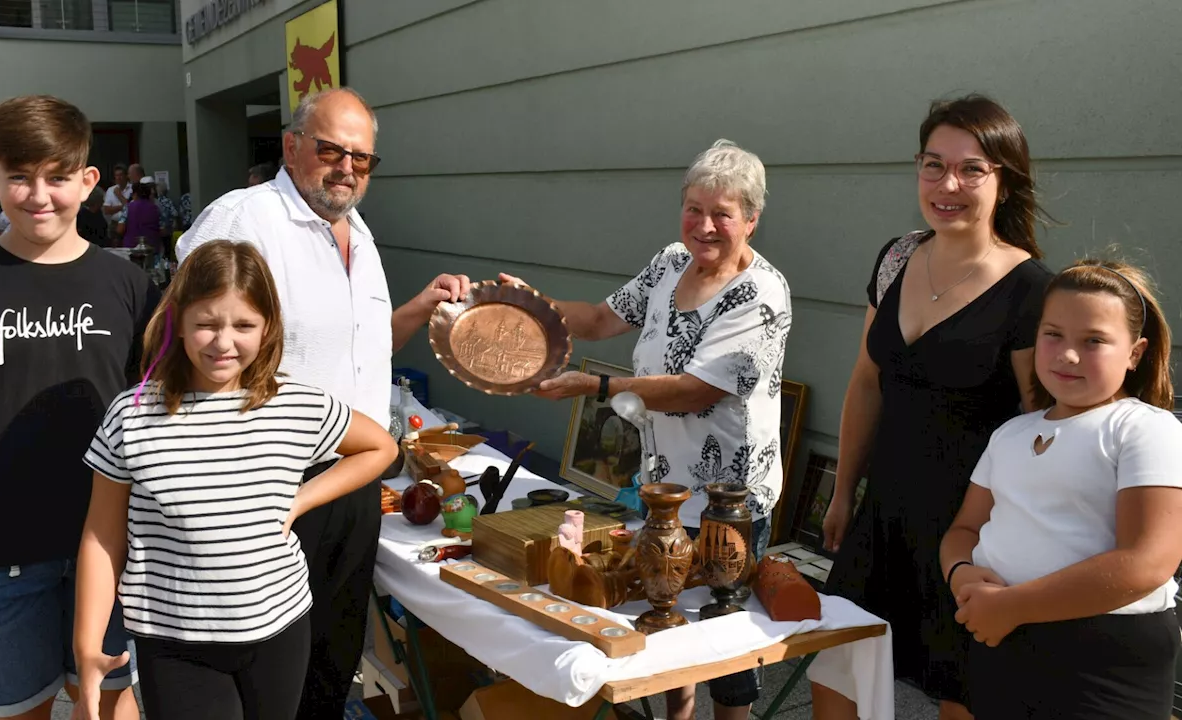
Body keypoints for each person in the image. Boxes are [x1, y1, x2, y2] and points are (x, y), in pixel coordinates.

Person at [176, 86, 471, 720]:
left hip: (356, 477)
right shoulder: (247, 218)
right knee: (265, 672)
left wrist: (418, 309)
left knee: (332, 660)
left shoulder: (358, 236)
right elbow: (194, 336)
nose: (346, 168)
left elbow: (362, 350)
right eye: (331, 150)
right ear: (291, 146)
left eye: (361, 159)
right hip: (275, 480)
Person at [504, 139, 791, 720]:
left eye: (723, 214)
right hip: (663, 483)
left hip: (726, 502)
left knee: (724, 646)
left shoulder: (760, 294)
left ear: (753, 220)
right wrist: (531, 306)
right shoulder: (669, 262)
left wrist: (598, 390)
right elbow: (603, 318)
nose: (704, 225)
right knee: (663, 614)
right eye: (694, 208)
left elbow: (697, 389)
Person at [0, 95, 158, 720]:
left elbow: (148, 404)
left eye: (57, 176)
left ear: (87, 180)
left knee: (108, 700)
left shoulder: (127, 285)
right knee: (19, 709)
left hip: (109, 539)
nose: (39, 194)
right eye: (19, 176)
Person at [73, 239, 397, 720]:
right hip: (175, 640)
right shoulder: (133, 415)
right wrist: (88, 644)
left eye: (244, 325)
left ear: (267, 329)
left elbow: (381, 447)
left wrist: (300, 500)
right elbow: (102, 534)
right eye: (205, 323)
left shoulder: (298, 405)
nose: (223, 342)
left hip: (280, 629)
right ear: (177, 322)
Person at [809, 94, 1054, 720]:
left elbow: (1037, 424)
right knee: (836, 666)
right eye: (932, 164)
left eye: (972, 168)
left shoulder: (1031, 288)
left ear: (1005, 179)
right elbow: (867, 381)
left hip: (969, 533)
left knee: (961, 693)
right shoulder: (897, 257)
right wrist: (843, 493)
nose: (949, 184)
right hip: (883, 512)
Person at [941, 259, 1182, 719]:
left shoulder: (1144, 429)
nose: (1067, 354)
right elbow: (965, 529)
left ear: (1135, 352)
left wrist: (1013, 605)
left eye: (1093, 340)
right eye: (1053, 335)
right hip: (999, 636)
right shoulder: (1009, 434)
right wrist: (961, 574)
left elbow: (1149, 560)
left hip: (1100, 659)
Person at [118, 178, 160, 251]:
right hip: (151, 248)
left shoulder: (128, 207)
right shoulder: (156, 208)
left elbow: (120, 229)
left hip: (131, 248)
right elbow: (163, 230)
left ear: (135, 194)